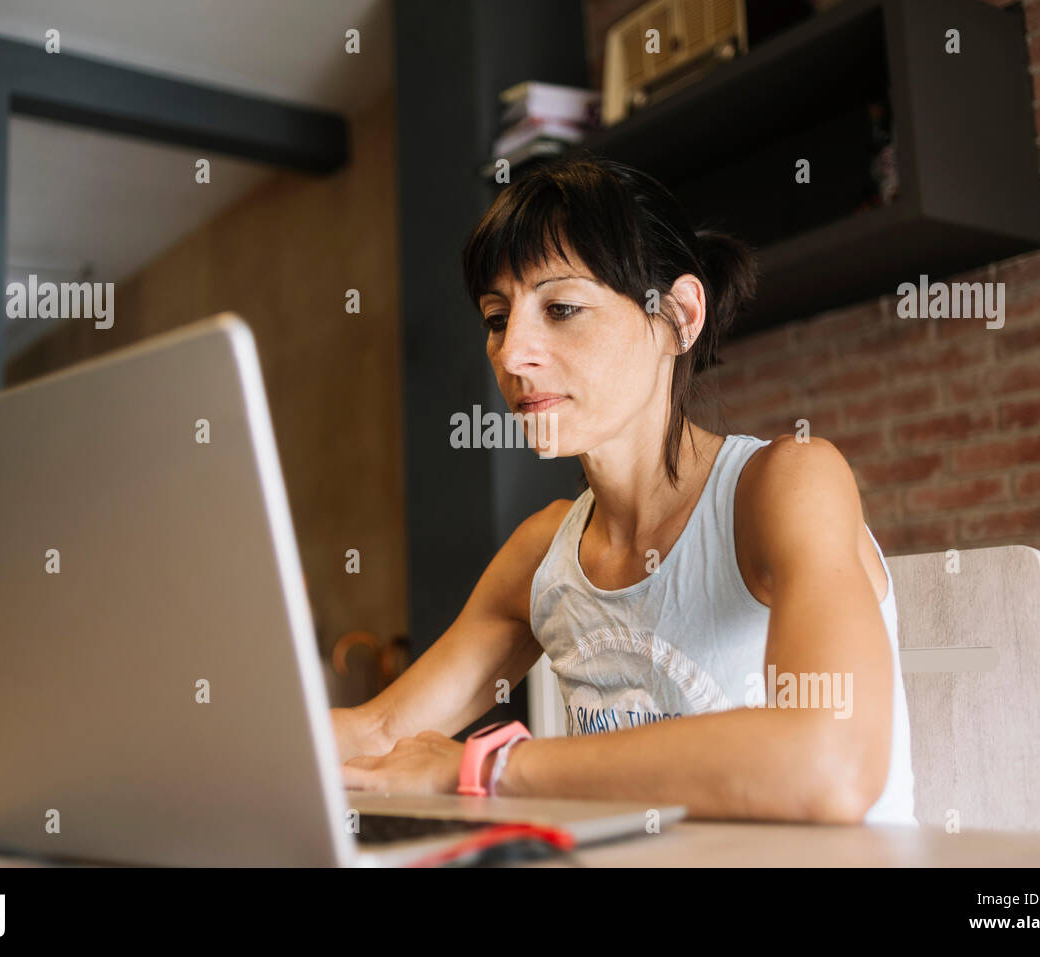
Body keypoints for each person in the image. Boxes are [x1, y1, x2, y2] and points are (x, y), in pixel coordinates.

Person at [332, 152, 916, 825]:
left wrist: (488, 768)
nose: (512, 353)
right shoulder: (541, 554)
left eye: (562, 307)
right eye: (497, 319)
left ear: (677, 316)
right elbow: (379, 733)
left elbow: (833, 762)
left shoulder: (786, 486)